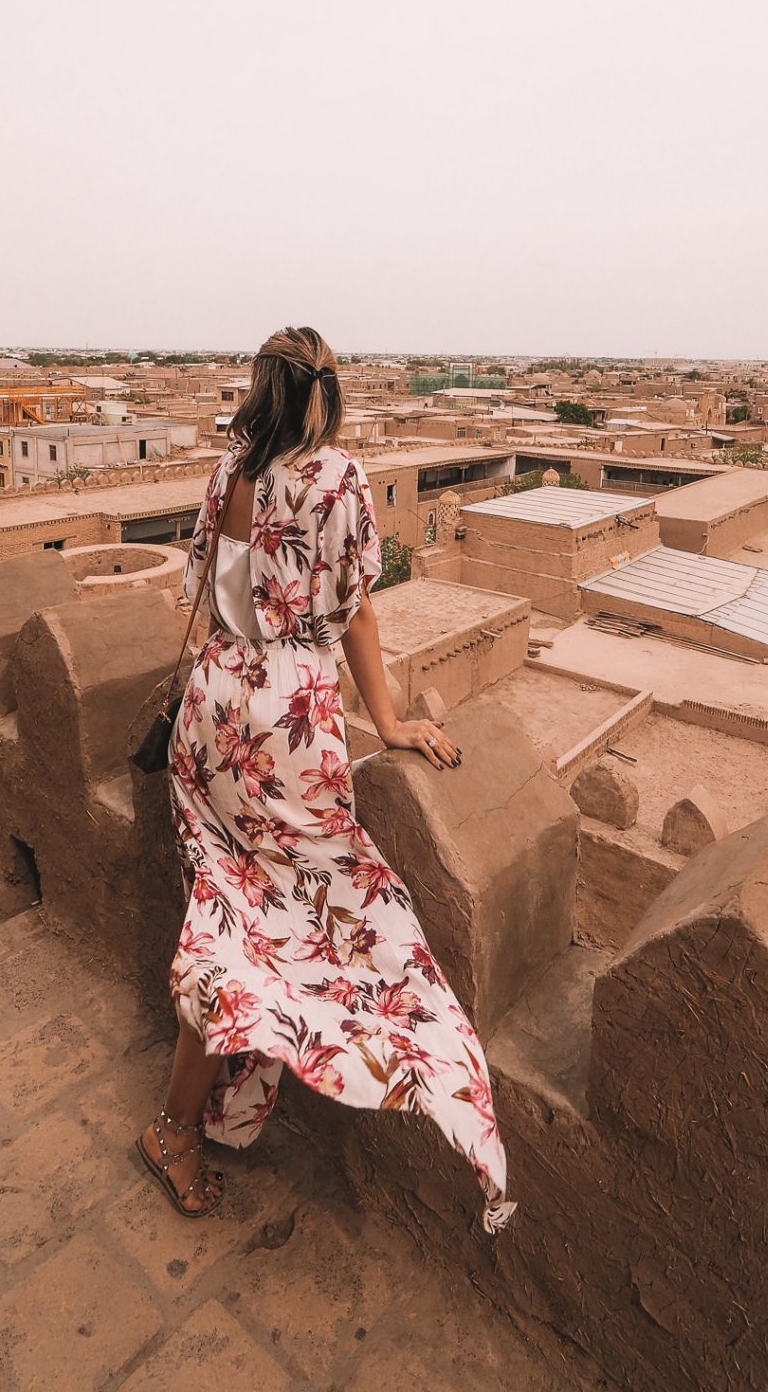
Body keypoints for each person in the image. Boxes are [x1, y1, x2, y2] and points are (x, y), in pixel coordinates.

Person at [139, 326, 515, 1233]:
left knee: (234, 910)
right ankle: (178, 1125)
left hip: (212, 713)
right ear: (324, 393)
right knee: (305, 927)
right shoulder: (335, 478)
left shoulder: (229, 473)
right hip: (286, 733)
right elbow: (355, 613)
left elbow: (208, 589)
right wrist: (390, 724)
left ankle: (189, 1117)